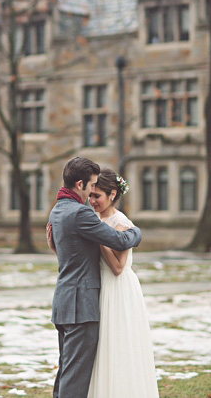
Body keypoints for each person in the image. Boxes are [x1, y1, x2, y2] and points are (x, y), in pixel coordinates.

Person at [47, 156, 142, 398]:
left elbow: (71, 253)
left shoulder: (57, 210)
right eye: (90, 185)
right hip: (81, 306)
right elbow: (119, 240)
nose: (91, 193)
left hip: (64, 302)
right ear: (79, 184)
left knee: (66, 372)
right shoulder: (81, 214)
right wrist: (136, 232)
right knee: (75, 380)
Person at [87, 168, 159, 398]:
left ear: (112, 194)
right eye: (90, 195)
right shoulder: (96, 219)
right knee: (102, 349)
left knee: (118, 346)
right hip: (101, 287)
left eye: (97, 196)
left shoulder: (120, 223)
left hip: (117, 289)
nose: (92, 200)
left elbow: (118, 267)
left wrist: (100, 239)